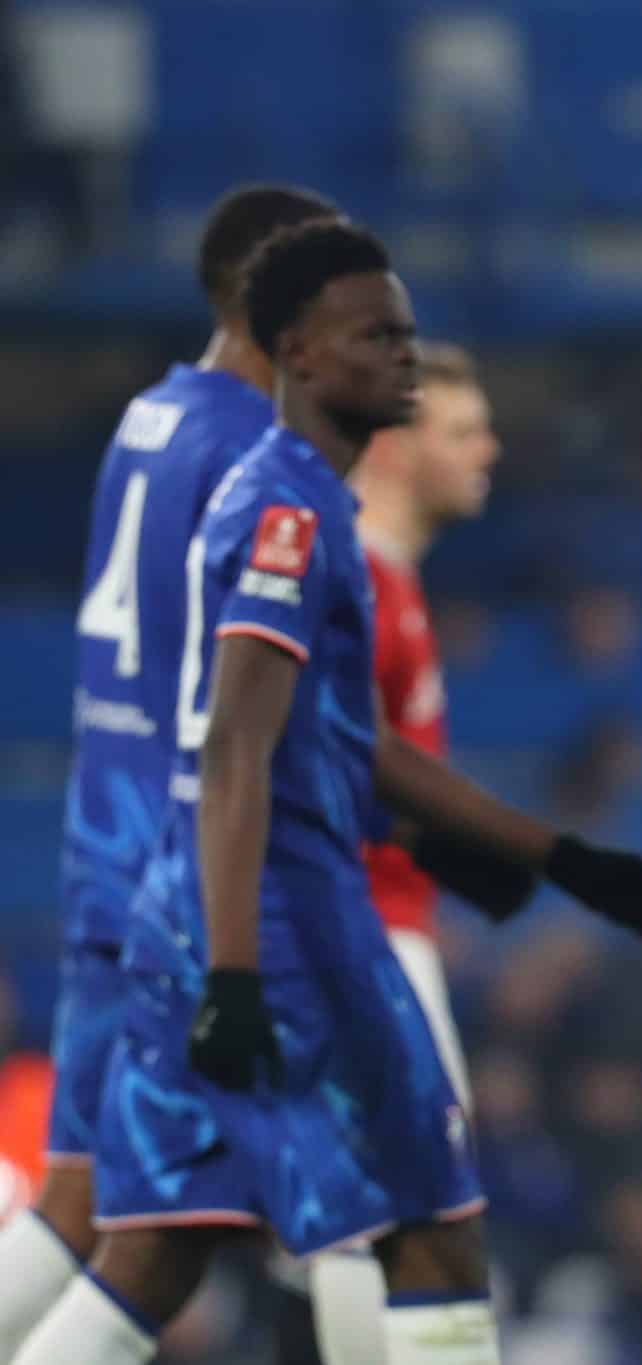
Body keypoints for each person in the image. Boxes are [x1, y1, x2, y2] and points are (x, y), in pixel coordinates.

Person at [15, 220, 642, 1365]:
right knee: (427, 1232)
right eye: (376, 337)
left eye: (408, 335)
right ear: (300, 356)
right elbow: (238, 747)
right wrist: (232, 971)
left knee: (152, 1249)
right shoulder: (291, 511)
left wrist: (540, 856)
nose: (406, 362)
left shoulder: (283, 495)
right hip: (284, 917)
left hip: (209, 900)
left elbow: (332, 741)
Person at [0, 184, 340, 1364]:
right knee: (357, 1201)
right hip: (185, 876)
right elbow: (236, 706)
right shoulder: (253, 454)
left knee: (84, 1202)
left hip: (103, 851)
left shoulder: (149, 420)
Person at [278, 342, 504, 1363]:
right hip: (356, 935)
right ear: (400, 447)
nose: (487, 449)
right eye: (462, 431)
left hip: (371, 929)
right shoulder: (356, 578)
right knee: (407, 1217)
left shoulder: (390, 578)